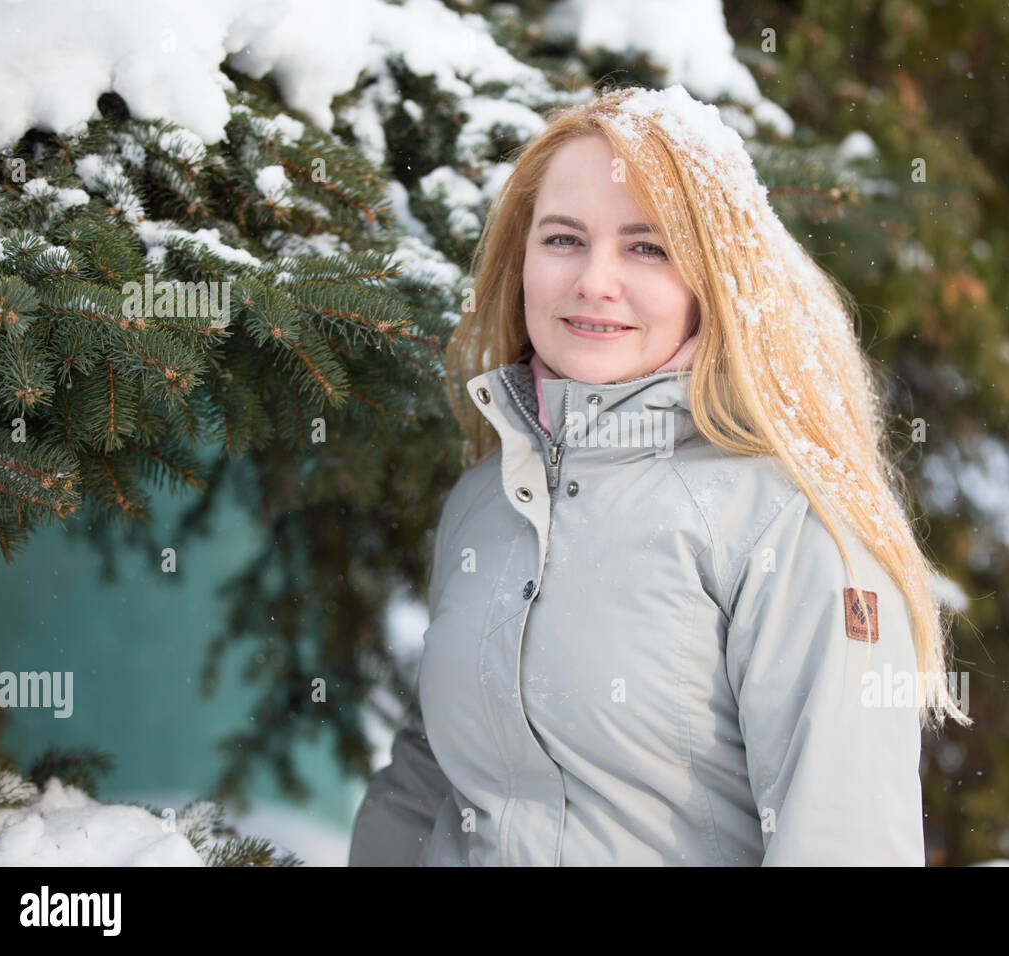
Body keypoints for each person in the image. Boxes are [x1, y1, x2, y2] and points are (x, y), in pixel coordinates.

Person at [349, 83, 972, 867]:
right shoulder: (486, 499)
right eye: (563, 239)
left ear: (712, 278)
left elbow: (844, 843)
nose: (594, 281)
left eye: (648, 247)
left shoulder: (792, 521)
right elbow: (428, 780)